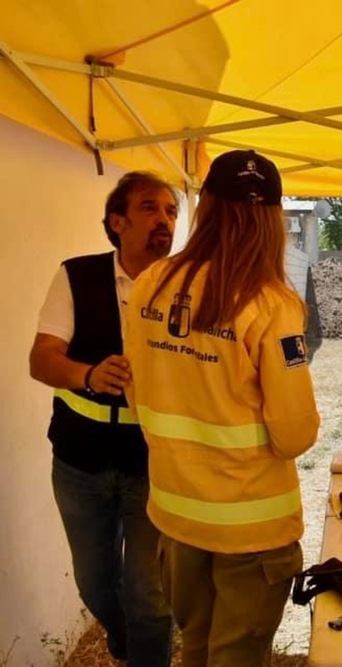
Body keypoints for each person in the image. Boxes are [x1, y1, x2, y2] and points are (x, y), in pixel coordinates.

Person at [124, 150, 320, 666]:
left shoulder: (150, 285)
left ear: (205, 205)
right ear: (272, 219)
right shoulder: (271, 303)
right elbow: (294, 435)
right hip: (251, 529)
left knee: (196, 649)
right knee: (235, 657)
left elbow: (135, 390)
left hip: (176, 516)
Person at [28, 172, 176, 666]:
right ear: (118, 221)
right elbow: (41, 359)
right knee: (95, 584)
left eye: (172, 211)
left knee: (150, 596)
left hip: (151, 465)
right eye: (151, 208)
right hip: (80, 462)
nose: (164, 219)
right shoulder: (76, 275)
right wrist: (89, 374)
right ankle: (125, 644)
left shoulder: (186, 287)